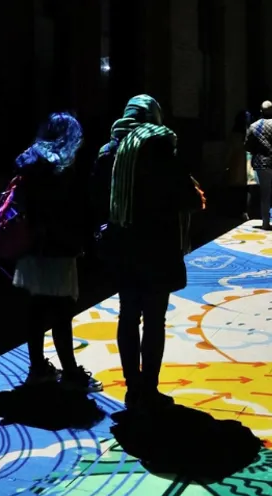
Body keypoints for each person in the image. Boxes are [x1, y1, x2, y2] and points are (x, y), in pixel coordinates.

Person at [97, 95, 204, 409]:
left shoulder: (109, 151)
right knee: (154, 319)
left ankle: (133, 387)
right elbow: (186, 197)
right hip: (159, 246)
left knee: (128, 314)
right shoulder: (159, 147)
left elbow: (95, 199)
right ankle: (150, 387)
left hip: (122, 246)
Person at [12, 112, 101, 391]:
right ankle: (71, 373)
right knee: (63, 310)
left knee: (36, 308)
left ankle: (38, 368)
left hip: (30, 247)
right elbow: (71, 212)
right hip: (58, 247)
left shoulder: (28, 161)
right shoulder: (61, 168)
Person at [245, 101, 272, 229]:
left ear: (261, 111)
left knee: (265, 192)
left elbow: (247, 145)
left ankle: (265, 221)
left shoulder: (253, 126)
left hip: (261, 163)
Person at [224, 110, 252, 219]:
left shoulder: (234, 134)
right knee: (245, 190)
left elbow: (229, 150)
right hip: (248, 164)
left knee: (234, 190)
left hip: (235, 163)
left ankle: (233, 211)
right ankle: (244, 211)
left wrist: (225, 164)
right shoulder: (250, 132)